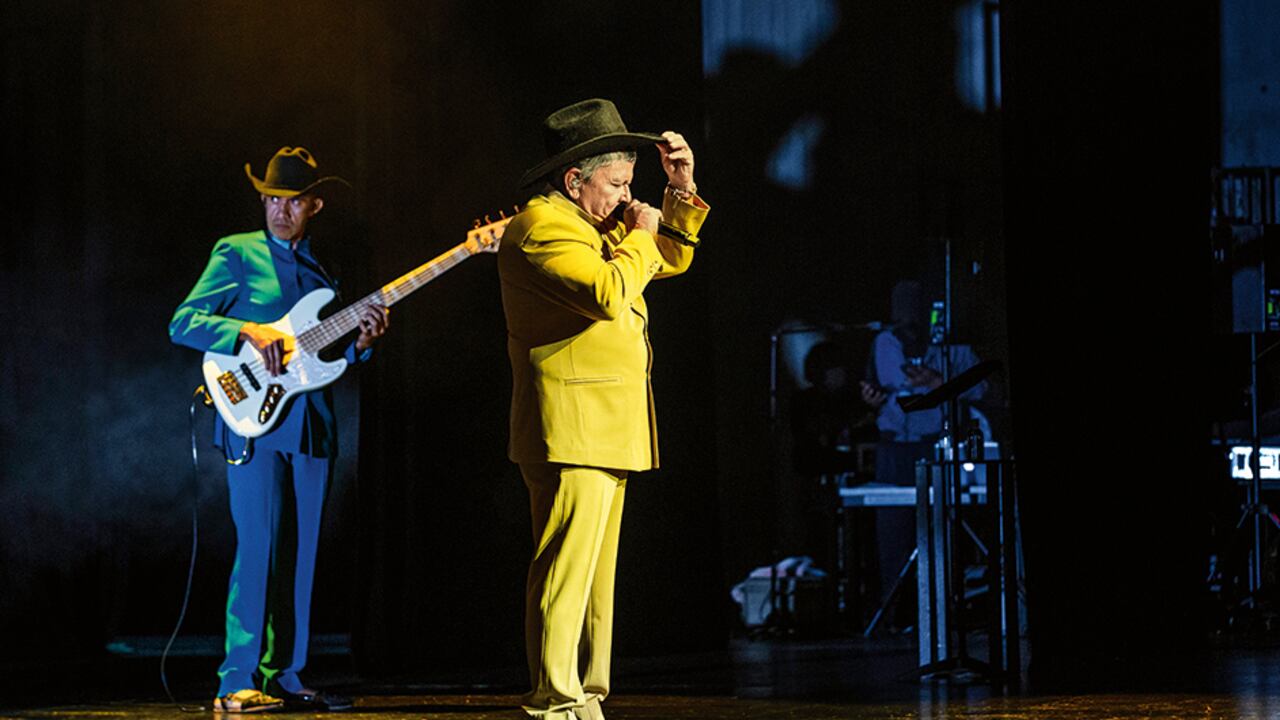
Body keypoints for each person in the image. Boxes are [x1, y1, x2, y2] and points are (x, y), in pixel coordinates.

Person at [498, 98, 709, 720]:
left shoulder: (593, 226)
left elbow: (670, 257)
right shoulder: (542, 227)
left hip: (606, 424)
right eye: (616, 184)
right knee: (566, 572)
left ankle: (586, 696)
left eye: (628, 184)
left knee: (594, 581)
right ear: (574, 180)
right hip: (572, 427)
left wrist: (680, 191)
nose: (626, 197)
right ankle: (554, 699)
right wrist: (640, 233)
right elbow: (610, 291)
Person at [170, 146, 388, 713]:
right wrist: (247, 330)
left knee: (303, 556)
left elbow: (327, 359)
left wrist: (362, 345)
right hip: (252, 424)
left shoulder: (323, 270)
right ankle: (235, 680)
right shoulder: (236, 252)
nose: (279, 211)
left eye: (291, 202)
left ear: (314, 205)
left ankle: (286, 674)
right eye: (271, 199)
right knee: (258, 550)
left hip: (311, 427)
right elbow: (183, 322)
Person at [868, 279, 985, 629]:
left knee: (939, 533)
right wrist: (875, 398)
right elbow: (881, 384)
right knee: (893, 535)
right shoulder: (884, 342)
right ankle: (895, 616)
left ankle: (941, 613)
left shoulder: (955, 348)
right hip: (894, 447)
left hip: (936, 444)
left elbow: (982, 387)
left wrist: (938, 382)